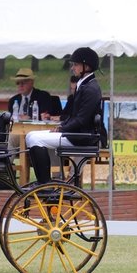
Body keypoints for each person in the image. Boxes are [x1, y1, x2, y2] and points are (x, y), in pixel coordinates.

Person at [26, 47, 105, 185]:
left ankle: (44, 182)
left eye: (76, 64)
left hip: (82, 138)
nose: (73, 68)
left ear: (86, 66)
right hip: (76, 134)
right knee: (30, 135)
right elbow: (75, 116)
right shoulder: (85, 85)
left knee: (36, 139)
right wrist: (62, 126)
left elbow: (81, 119)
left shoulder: (91, 89)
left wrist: (62, 129)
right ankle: (43, 180)